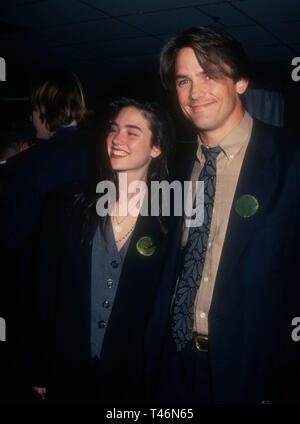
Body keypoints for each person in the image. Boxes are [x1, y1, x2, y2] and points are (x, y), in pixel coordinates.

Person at [145, 26, 300, 404]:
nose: (195, 92)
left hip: (254, 373)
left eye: (209, 75)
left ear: (241, 81)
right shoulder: (178, 170)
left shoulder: (291, 160)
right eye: (184, 80)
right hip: (174, 364)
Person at [31, 98, 174, 403]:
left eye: (132, 132)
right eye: (114, 129)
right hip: (70, 368)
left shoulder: (172, 218)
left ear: (156, 148)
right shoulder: (67, 202)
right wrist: (41, 365)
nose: (117, 139)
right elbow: (44, 290)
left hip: (135, 377)